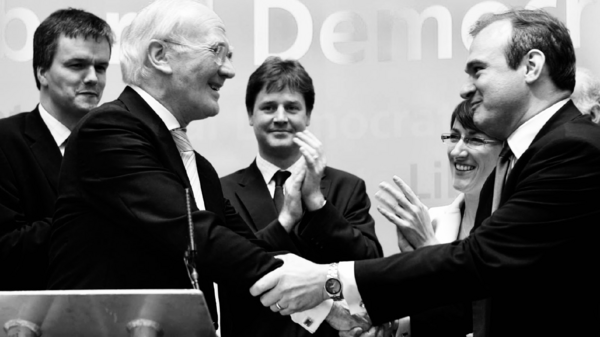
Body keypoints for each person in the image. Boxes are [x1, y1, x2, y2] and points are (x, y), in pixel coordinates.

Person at [250, 9, 600, 337]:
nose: (465, 88)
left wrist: (329, 280)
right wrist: (391, 323)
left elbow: (478, 262)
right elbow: (483, 295)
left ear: (531, 66)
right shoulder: (516, 160)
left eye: (478, 70)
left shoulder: (572, 150)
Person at [219, 56, 382, 336]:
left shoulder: (348, 186)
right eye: (269, 107)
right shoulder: (221, 191)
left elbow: (368, 267)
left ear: (307, 116)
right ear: (250, 115)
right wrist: (285, 221)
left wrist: (318, 205)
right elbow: (227, 278)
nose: (280, 118)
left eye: (292, 108)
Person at [0, 8, 113, 290]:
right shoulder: (5, 141)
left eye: (101, 67)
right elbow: (5, 249)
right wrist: (94, 211)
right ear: (42, 72)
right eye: (77, 65)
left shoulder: (119, 146)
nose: (92, 78)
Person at [376, 99, 501, 337]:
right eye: (454, 137)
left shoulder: (518, 225)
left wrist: (428, 249)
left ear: (506, 151)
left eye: (474, 139)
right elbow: (432, 313)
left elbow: (481, 317)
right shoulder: (433, 220)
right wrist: (393, 327)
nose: (457, 151)